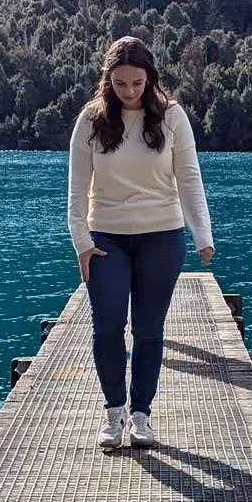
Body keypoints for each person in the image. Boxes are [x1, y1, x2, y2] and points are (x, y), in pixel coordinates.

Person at [67, 37, 215, 452]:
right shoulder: (91, 122)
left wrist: (202, 235)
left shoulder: (172, 118)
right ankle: (113, 414)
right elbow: (78, 189)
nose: (129, 92)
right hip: (106, 238)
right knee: (108, 325)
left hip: (161, 237)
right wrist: (81, 241)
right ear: (107, 81)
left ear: (150, 79)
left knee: (149, 331)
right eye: (120, 84)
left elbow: (189, 179)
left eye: (137, 83)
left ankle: (141, 416)